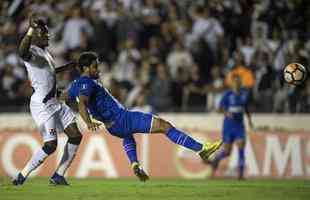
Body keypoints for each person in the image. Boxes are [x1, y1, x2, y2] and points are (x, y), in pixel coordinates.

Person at [62, 52, 222, 181]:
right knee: (164, 126)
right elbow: (82, 103)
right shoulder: (87, 83)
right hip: (122, 118)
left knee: (128, 136)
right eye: (95, 66)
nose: (98, 70)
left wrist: (46, 84)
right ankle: (201, 149)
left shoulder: (76, 84)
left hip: (113, 127)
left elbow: (62, 96)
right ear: (85, 68)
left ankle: (134, 163)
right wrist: (88, 122)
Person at [12, 14, 83, 186]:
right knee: (51, 146)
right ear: (36, 35)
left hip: (56, 101)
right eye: (45, 33)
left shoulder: (44, 52)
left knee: (75, 135)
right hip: (43, 105)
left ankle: (58, 175)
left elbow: (48, 72)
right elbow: (21, 52)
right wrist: (30, 29)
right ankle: (21, 176)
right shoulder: (32, 52)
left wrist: (66, 67)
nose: (48, 35)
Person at [209, 75, 253, 180]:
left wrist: (250, 120)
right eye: (235, 82)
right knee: (227, 151)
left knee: (241, 147)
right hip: (228, 126)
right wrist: (226, 112)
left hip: (239, 126)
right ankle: (216, 160)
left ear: (241, 83)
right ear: (232, 83)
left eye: (239, 82)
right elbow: (219, 108)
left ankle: (241, 175)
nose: (237, 84)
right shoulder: (227, 95)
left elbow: (246, 108)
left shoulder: (244, 94)